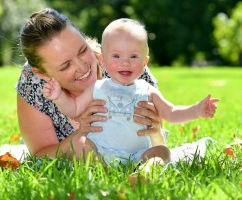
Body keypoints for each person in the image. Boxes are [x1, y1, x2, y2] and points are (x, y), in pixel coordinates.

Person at [15, 8, 213, 167]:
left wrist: (157, 130)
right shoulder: (35, 83)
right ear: (40, 72)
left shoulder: (124, 65)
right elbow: (40, 155)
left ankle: (144, 175)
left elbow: (162, 127)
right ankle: (103, 171)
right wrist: (78, 135)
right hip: (93, 154)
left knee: (162, 153)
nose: (83, 67)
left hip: (135, 152)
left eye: (83, 49)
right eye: (66, 65)